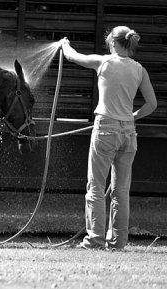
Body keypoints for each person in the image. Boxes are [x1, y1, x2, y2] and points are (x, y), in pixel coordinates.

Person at [59, 26, 158, 250]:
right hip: (129, 134)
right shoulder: (139, 69)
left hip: (105, 129)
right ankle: (117, 242)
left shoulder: (103, 62)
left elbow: (74, 57)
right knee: (120, 191)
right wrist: (132, 116)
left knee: (95, 186)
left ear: (113, 43)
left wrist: (64, 44)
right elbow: (152, 104)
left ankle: (94, 239)